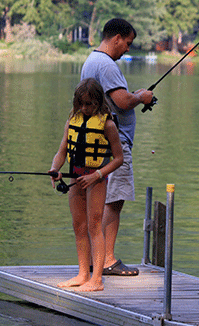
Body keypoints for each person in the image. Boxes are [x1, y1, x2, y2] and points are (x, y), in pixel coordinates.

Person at [80, 18, 154, 276]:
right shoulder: (107, 65)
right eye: (128, 43)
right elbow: (122, 101)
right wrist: (141, 97)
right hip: (115, 144)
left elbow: (112, 100)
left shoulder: (91, 61)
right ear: (117, 38)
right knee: (115, 200)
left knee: (100, 202)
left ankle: (94, 259)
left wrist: (133, 96)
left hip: (96, 143)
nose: (128, 49)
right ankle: (108, 259)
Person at [49, 78, 124, 292]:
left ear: (98, 102)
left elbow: (119, 159)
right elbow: (62, 151)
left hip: (96, 179)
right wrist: (55, 169)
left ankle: (97, 280)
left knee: (94, 225)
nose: (85, 108)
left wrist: (97, 175)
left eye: (90, 104)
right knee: (78, 226)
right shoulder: (72, 120)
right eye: (81, 103)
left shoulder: (107, 124)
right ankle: (83, 274)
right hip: (76, 177)